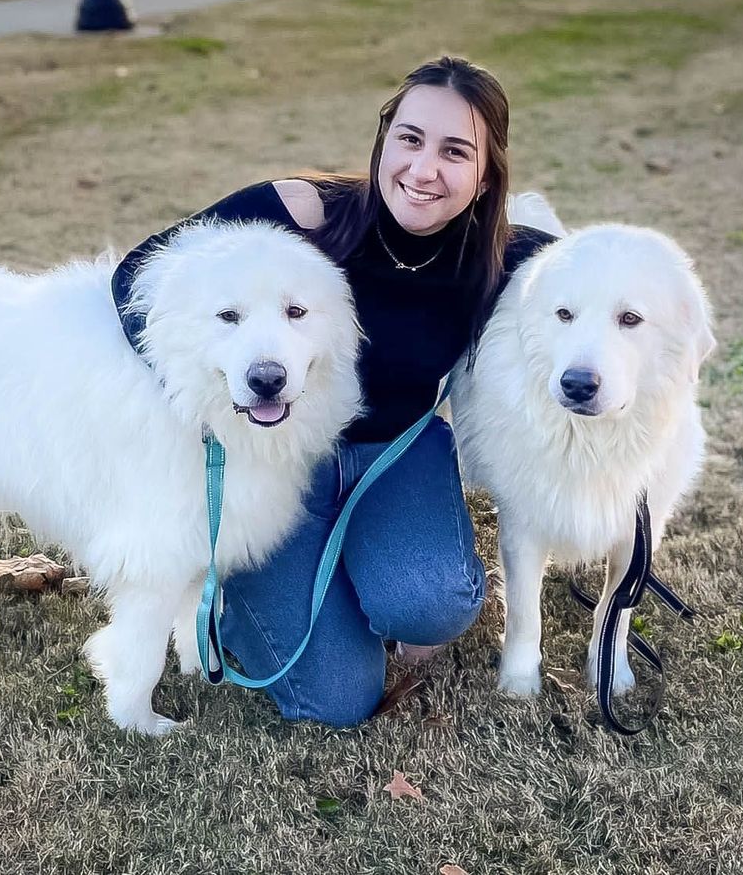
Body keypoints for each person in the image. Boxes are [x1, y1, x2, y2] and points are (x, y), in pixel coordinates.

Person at [111, 56, 555, 727]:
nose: (424, 168)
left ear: (486, 171)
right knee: (336, 700)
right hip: (274, 467)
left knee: (432, 605)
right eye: (409, 139)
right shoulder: (302, 213)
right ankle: (248, 601)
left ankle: (370, 571)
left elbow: (606, 284)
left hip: (394, 455)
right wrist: (194, 393)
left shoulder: (501, 256)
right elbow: (140, 274)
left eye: (455, 151)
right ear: (384, 140)